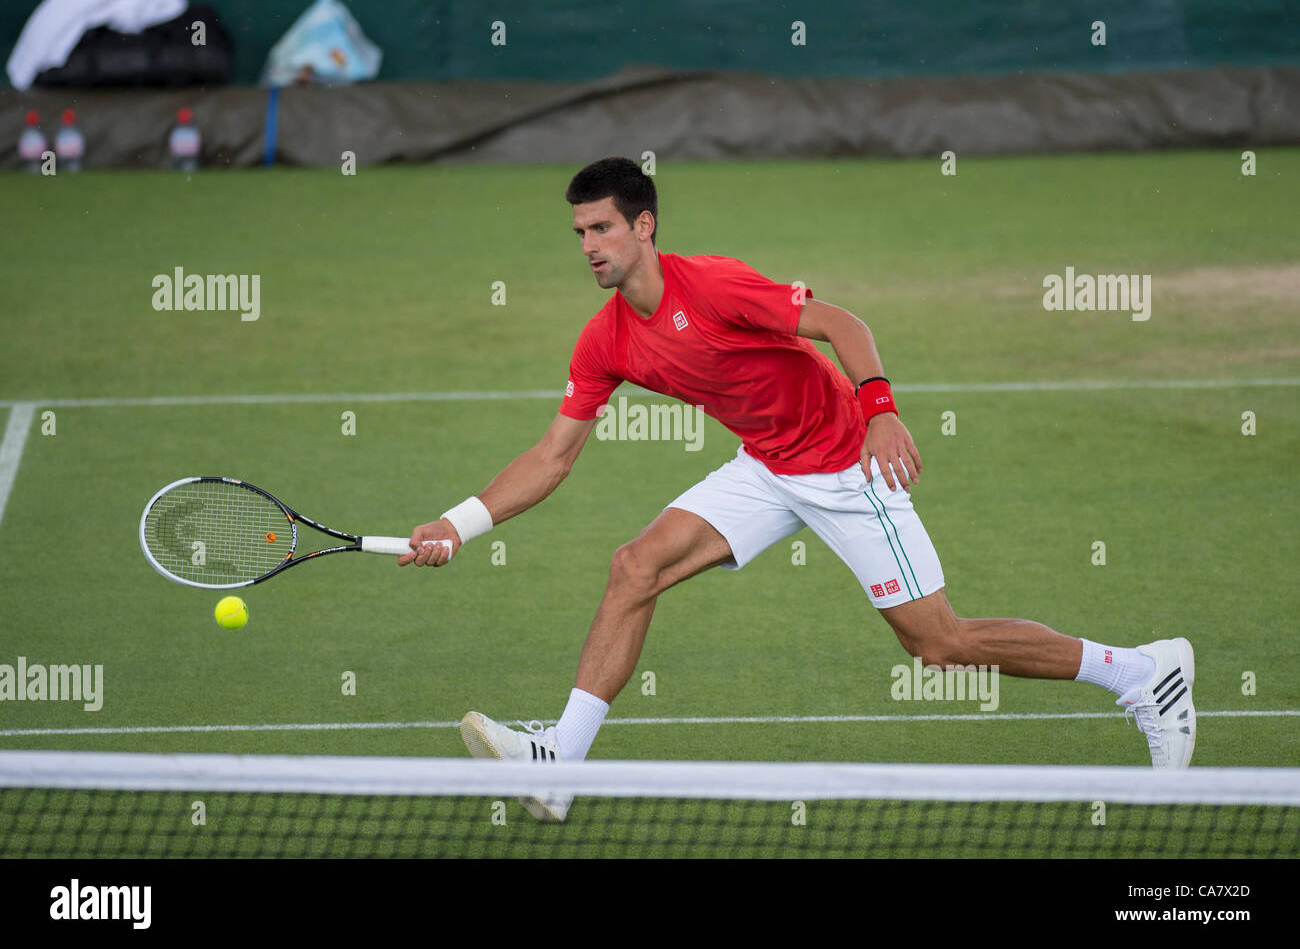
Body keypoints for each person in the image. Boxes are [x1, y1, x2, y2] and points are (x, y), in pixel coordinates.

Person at [399, 157, 1195, 822]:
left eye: (602, 227)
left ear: (643, 226)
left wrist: (880, 411)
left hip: (848, 463)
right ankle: (560, 763)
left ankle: (1140, 672)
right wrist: (457, 523)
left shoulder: (713, 287)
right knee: (634, 566)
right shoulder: (606, 338)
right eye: (579, 233)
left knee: (937, 645)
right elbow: (552, 455)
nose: (589, 246)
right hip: (768, 466)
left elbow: (843, 323)